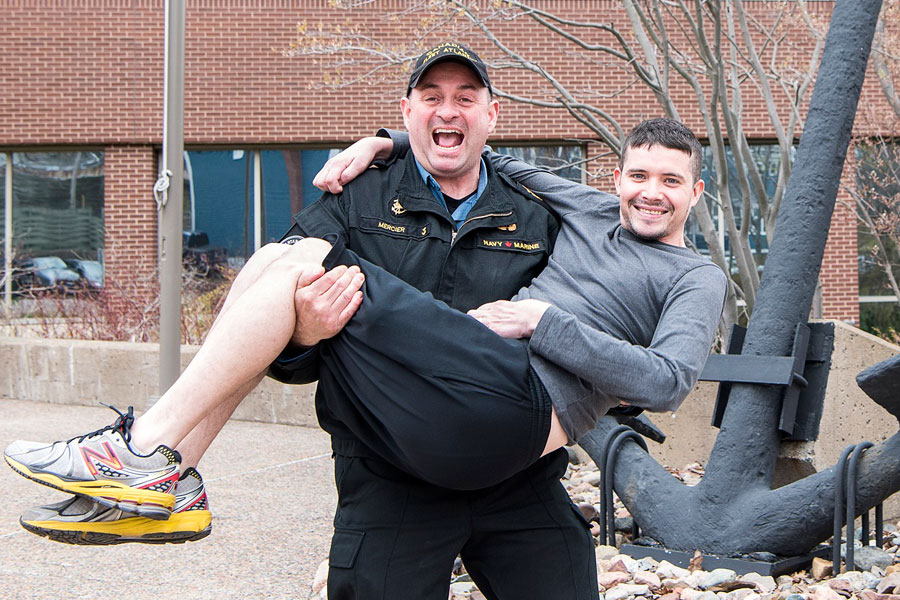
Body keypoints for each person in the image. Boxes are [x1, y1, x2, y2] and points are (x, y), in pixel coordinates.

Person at [5, 42, 604, 600]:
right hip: (391, 473)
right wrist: (304, 335)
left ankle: (153, 455)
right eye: (432, 98)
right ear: (408, 109)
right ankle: (162, 460)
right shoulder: (354, 198)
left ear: (492, 115)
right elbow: (274, 336)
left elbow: (589, 306)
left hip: (515, 472)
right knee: (279, 263)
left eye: (466, 99)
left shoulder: (537, 215)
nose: (449, 112)